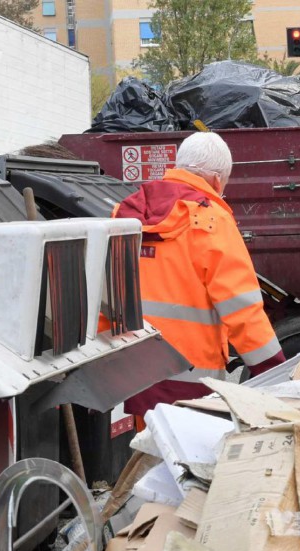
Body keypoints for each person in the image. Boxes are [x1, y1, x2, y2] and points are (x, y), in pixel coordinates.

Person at [113, 132, 285, 417]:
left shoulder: (125, 214)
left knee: (143, 457)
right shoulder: (211, 221)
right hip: (192, 384)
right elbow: (242, 309)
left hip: (132, 376)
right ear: (217, 180)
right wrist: (274, 370)